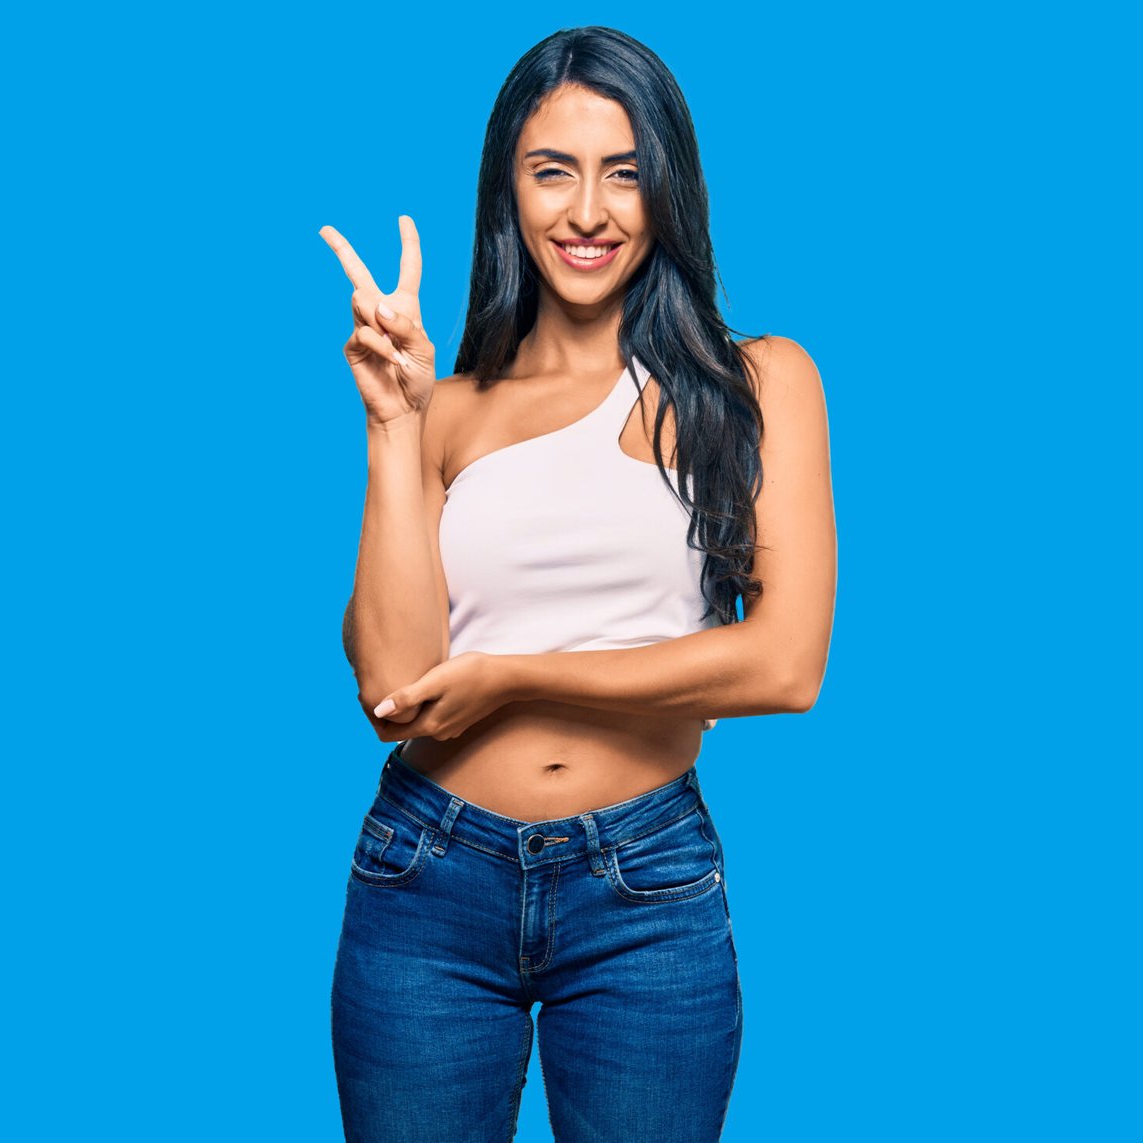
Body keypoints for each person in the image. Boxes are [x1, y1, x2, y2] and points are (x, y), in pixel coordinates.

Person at [319, 25, 835, 1142]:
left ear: (669, 190)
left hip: (645, 888)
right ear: (508, 189)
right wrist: (394, 427)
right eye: (552, 172)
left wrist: (513, 677)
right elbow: (394, 683)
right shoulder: (449, 410)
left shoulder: (757, 384)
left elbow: (785, 664)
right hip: (425, 880)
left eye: (624, 172)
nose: (588, 211)